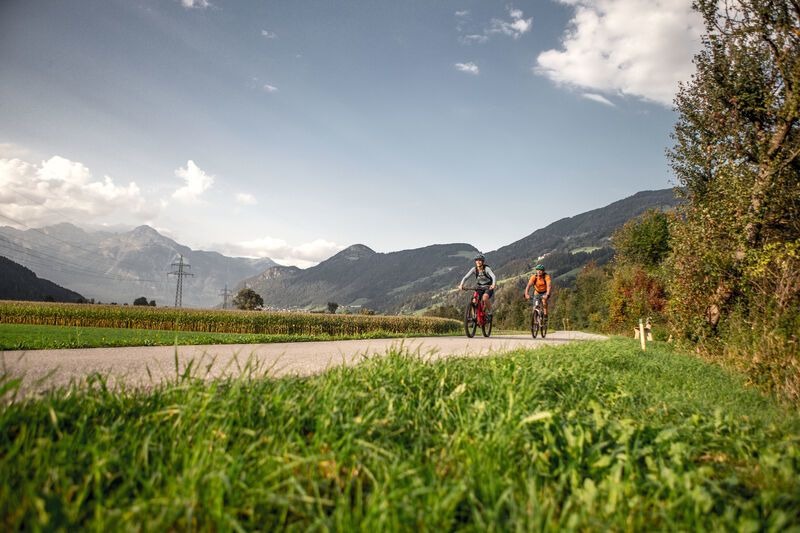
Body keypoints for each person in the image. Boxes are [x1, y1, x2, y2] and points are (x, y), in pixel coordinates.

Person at [458, 254, 497, 318]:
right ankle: (474, 317)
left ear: (483, 261)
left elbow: (493, 276)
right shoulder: (474, 269)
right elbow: (465, 277)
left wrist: (493, 284)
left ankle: (490, 312)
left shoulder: (486, 269)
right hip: (479, 287)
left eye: (480, 260)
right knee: (474, 300)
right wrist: (461, 285)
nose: (478, 262)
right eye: (477, 260)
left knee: (485, 298)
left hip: (488, 287)